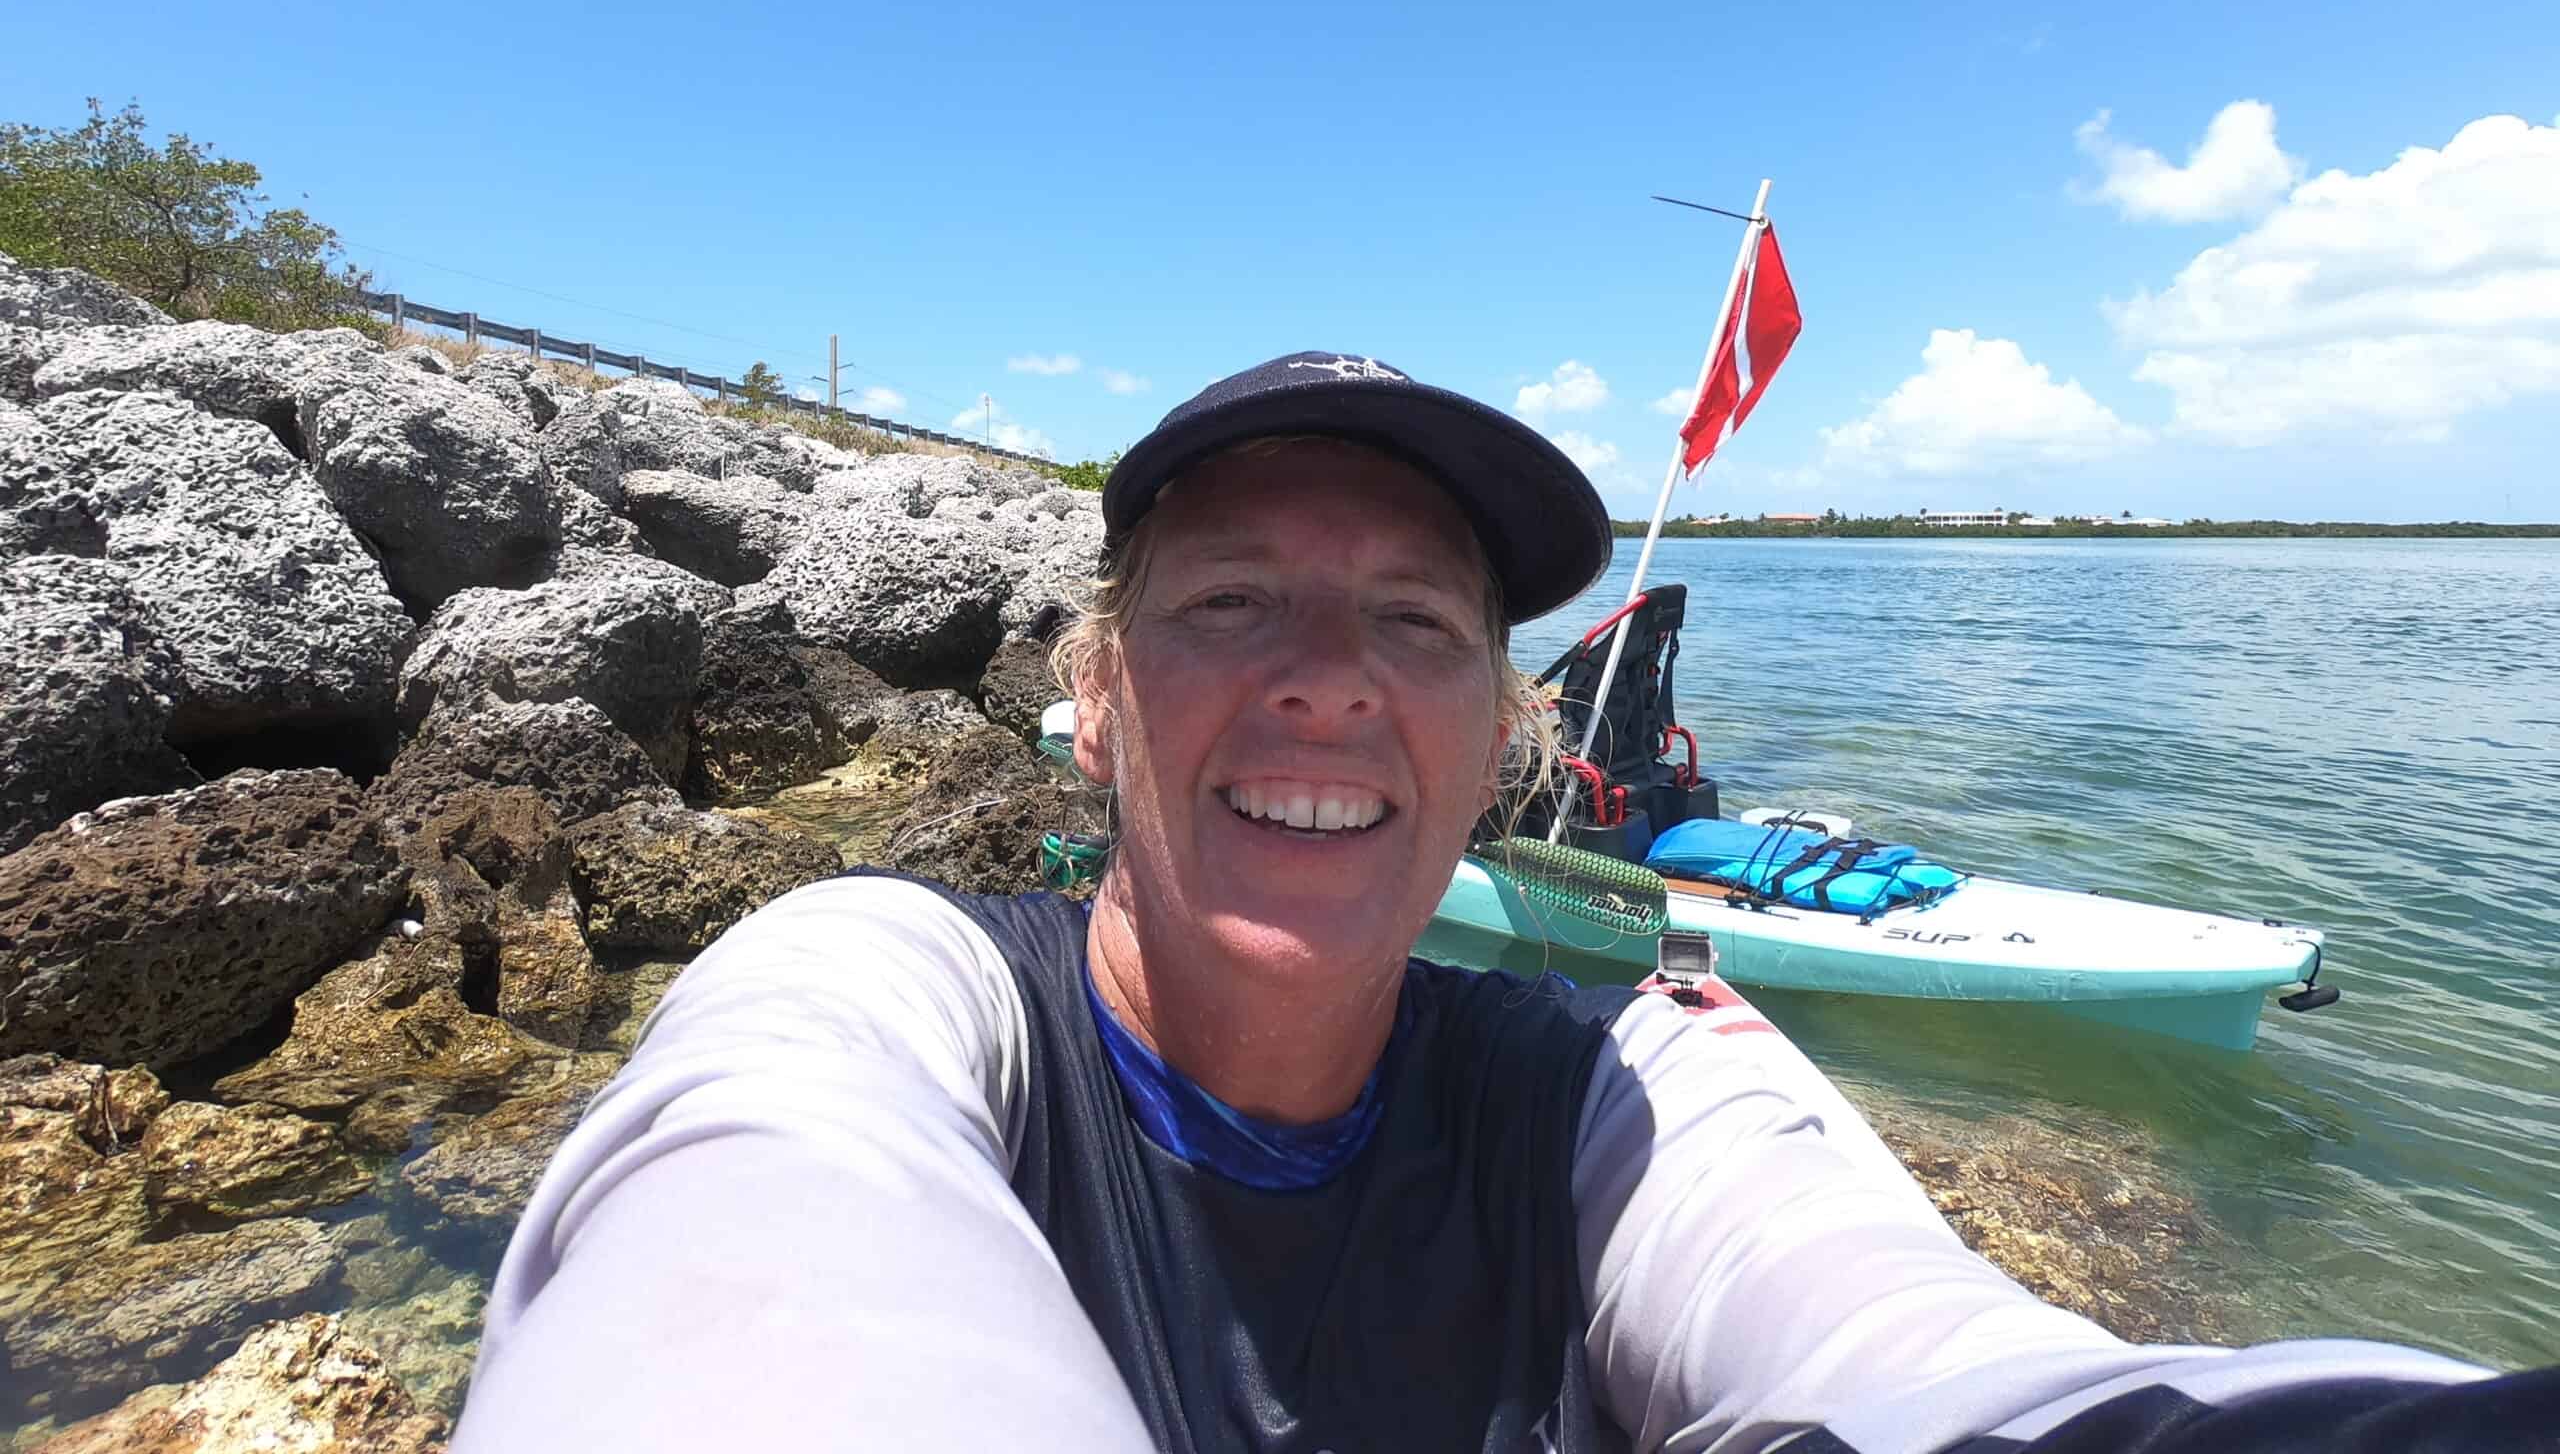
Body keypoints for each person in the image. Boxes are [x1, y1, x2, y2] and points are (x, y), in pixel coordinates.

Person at [456, 353, 2553, 1453]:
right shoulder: (879, 984)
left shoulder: (1636, 1092)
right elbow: (747, 1258)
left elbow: (1933, 1363)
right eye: (1227, 605)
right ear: (1092, 703)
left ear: (1492, 748)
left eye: (1411, 624)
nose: (1325, 678)